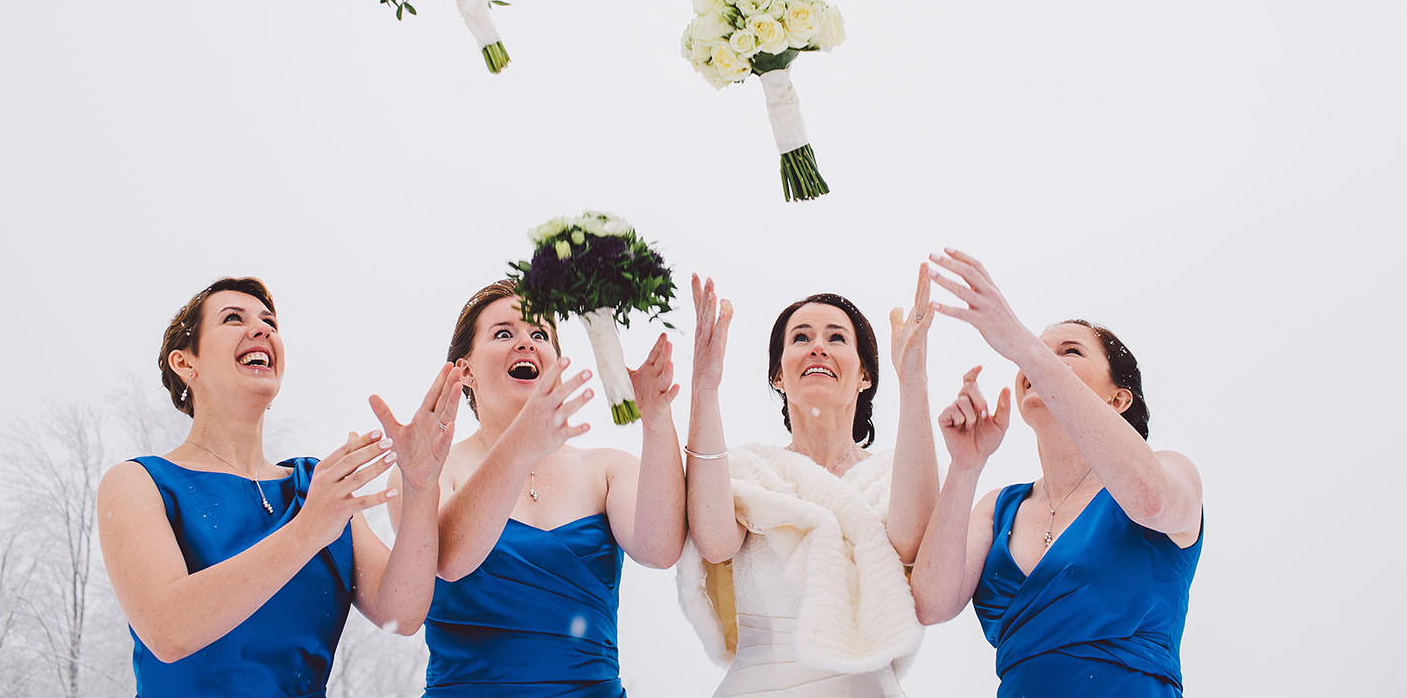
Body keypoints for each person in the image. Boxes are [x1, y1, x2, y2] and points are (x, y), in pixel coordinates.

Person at [97, 277, 460, 695]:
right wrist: (308, 530)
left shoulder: (316, 486)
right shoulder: (138, 483)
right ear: (185, 363)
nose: (263, 329)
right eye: (233, 319)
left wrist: (419, 486)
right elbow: (168, 630)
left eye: (269, 321)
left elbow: (402, 611)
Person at [909, 248, 1203, 697]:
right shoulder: (1000, 507)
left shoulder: (1171, 471)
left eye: (1069, 351)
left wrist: (1022, 342)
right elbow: (931, 603)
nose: (1040, 363)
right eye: (1037, 356)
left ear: (1118, 399)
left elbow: (1153, 500)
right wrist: (966, 467)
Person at [394, 279, 685, 697]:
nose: (525, 343)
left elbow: (660, 549)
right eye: (504, 333)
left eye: (539, 334)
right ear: (465, 371)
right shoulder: (426, 470)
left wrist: (657, 422)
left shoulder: (605, 469)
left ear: (556, 361)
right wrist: (518, 449)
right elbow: (451, 560)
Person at [678, 269, 940, 697]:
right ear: (778, 376)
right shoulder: (749, 471)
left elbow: (912, 544)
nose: (818, 346)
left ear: (865, 376)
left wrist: (914, 379)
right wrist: (704, 383)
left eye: (837, 338)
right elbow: (714, 542)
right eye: (800, 338)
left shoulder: (894, 474)